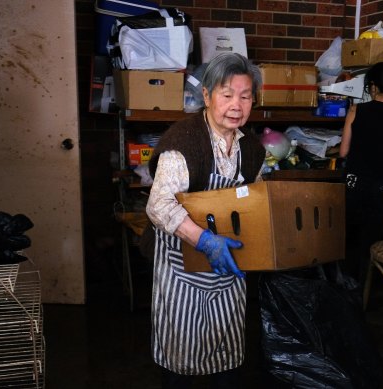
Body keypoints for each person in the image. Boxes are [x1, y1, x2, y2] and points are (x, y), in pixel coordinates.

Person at [146, 52, 266, 388]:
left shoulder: (252, 150)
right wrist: (204, 240)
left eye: (245, 96)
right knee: (182, 353)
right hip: (181, 268)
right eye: (227, 95)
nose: (236, 105)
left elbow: (254, 201)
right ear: (206, 95)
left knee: (225, 350)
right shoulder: (184, 141)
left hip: (228, 268)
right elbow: (158, 205)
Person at [339, 61, 383, 286]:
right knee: (374, 236)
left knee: (351, 234)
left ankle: (350, 283)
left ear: (373, 86)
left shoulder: (356, 110)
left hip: (355, 184)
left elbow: (343, 152)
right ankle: (371, 285)